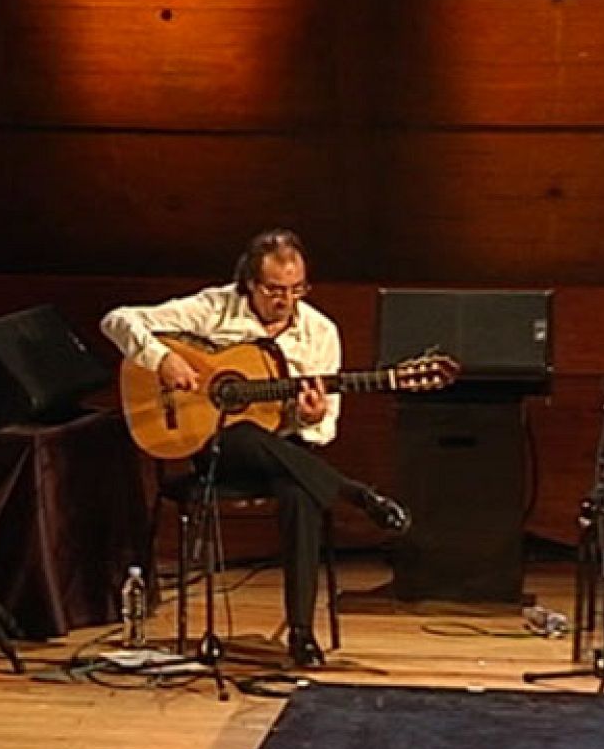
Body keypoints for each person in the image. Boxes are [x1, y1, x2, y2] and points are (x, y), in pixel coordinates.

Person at [100, 228, 409, 667]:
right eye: (274, 290)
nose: (287, 299)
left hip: (286, 454)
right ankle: (355, 494)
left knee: (300, 488)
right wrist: (161, 359)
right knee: (242, 433)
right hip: (216, 452)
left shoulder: (320, 332)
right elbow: (117, 319)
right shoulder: (214, 307)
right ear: (249, 282)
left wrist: (313, 415)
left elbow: (324, 431)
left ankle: (301, 633)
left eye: (297, 289)